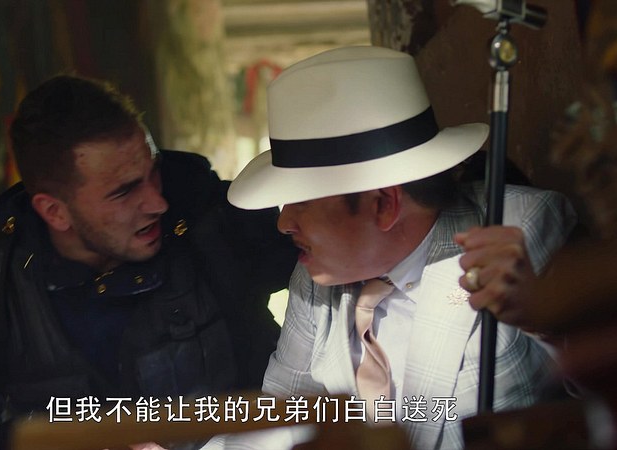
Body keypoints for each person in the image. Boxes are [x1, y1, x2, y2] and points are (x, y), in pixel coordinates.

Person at [214, 46, 577, 449]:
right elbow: (284, 411)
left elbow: (600, 395)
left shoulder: (515, 232)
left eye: (301, 201)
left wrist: (541, 316)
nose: (283, 223)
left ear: (384, 205)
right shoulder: (315, 278)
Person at [0, 75, 297, 449]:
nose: (157, 202)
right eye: (124, 191)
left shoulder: (208, 218)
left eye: (153, 172)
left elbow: (320, 288)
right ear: (55, 212)